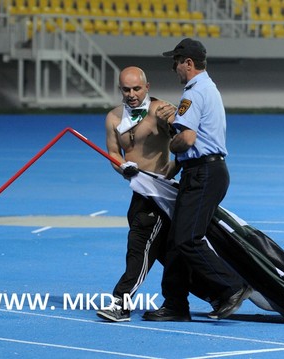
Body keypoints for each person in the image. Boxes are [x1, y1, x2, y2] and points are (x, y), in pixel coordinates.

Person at [143, 38, 252, 322]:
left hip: (204, 173)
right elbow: (197, 141)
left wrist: (170, 137)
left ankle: (231, 288)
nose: (173, 69)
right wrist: (171, 171)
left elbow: (188, 139)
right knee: (176, 242)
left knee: (187, 239)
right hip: (204, 171)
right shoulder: (208, 89)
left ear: (188, 63)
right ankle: (175, 303)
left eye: (175, 62)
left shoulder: (194, 93)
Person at [96, 66, 177, 322]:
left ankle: (121, 303)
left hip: (159, 192)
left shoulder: (162, 111)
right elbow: (112, 152)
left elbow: (186, 142)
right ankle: (221, 291)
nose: (131, 94)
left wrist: (169, 173)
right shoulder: (113, 118)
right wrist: (122, 166)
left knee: (138, 247)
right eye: (126, 89)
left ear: (147, 86)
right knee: (169, 252)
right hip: (138, 192)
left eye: (136, 88)